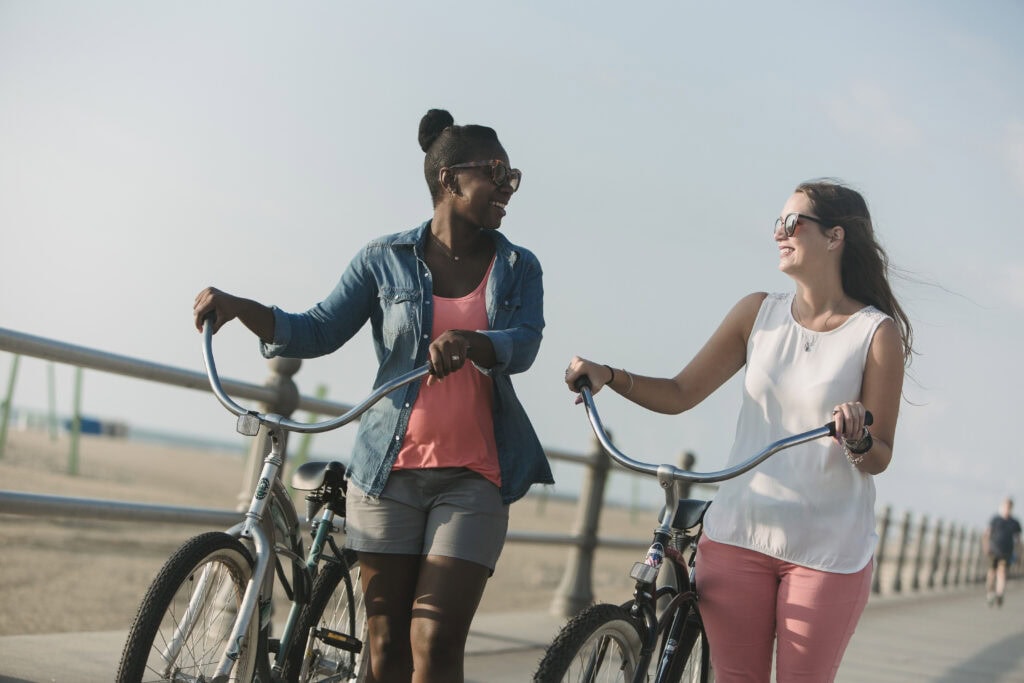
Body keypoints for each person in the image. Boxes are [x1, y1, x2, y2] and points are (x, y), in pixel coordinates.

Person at [193, 108, 551, 683]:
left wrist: (474, 342)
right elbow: (316, 329)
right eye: (495, 173)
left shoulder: (517, 266)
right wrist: (242, 310)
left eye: (512, 176)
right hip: (387, 475)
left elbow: (527, 343)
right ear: (449, 179)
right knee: (385, 645)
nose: (508, 188)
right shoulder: (382, 260)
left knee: (434, 641)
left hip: (475, 479)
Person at [565, 179, 913, 683]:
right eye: (778, 222)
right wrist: (609, 376)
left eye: (793, 223)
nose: (779, 233)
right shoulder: (758, 313)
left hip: (826, 551)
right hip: (738, 536)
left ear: (835, 237)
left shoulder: (875, 334)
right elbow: (681, 392)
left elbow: (879, 454)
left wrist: (858, 438)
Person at [983, 497, 1021, 607]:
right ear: (1002, 506)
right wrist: (986, 547)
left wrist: (1018, 553)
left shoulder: (1015, 523)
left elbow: (1018, 540)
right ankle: (990, 593)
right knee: (991, 573)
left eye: (1009, 507)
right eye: (1006, 506)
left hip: (1006, 551)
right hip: (993, 550)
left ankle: (999, 594)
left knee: (1002, 572)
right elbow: (987, 534)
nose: (1007, 509)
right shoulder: (995, 520)